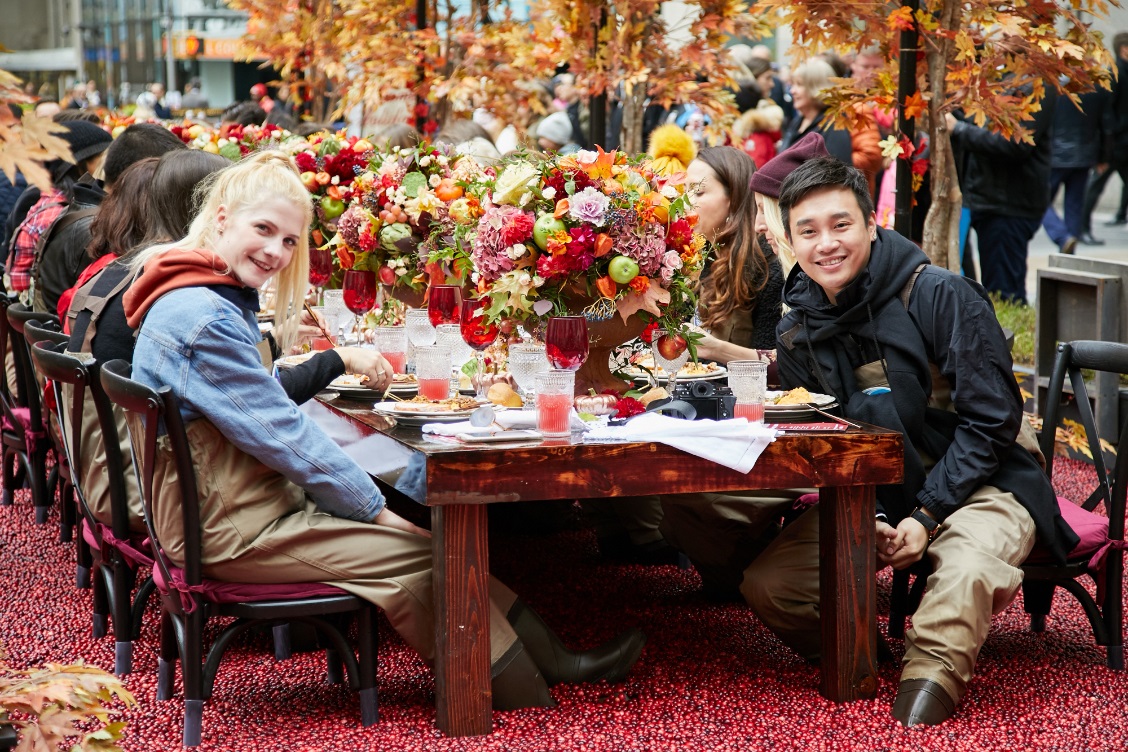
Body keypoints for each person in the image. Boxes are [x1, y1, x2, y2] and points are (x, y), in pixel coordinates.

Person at [120, 151, 646, 709]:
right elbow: (281, 434)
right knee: (430, 554)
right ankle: (520, 696)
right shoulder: (203, 317)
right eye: (264, 230)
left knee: (436, 546)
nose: (276, 252)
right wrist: (374, 509)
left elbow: (261, 402)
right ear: (222, 218)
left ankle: (552, 662)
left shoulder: (196, 295)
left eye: (290, 241)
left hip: (228, 511)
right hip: (231, 528)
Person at [743, 157, 1077, 726]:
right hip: (877, 488)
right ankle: (865, 656)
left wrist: (927, 514)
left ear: (872, 224)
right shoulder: (797, 327)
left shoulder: (940, 295)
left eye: (841, 225)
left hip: (986, 478)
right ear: (790, 241)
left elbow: (992, 423)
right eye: (809, 231)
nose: (827, 244)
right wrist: (869, 515)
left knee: (966, 570)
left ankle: (924, 695)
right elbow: (825, 436)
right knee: (772, 583)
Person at [34, 123, 188, 316]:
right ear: (141, 173)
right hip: (70, 330)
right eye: (168, 177)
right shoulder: (102, 228)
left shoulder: (93, 211)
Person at [948, 82, 1056, 304]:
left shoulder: (1034, 85)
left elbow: (1015, 144)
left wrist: (959, 129)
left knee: (1003, 294)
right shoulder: (1004, 79)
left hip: (1007, 205)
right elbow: (984, 125)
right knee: (998, 288)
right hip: (993, 201)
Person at [1040, 79, 1112, 255]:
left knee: (1040, 200)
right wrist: (1103, 156)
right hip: (1084, 154)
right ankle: (1069, 246)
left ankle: (1062, 237)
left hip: (1055, 155)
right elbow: (1106, 124)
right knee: (1074, 204)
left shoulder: (1051, 87)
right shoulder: (1094, 87)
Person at [1081, 31, 1128, 234]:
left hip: (1121, 140)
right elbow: (1107, 110)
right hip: (1115, 143)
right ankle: (1082, 228)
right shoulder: (1115, 74)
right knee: (1096, 185)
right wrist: (1111, 136)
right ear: (1124, 50)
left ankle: (1120, 215)